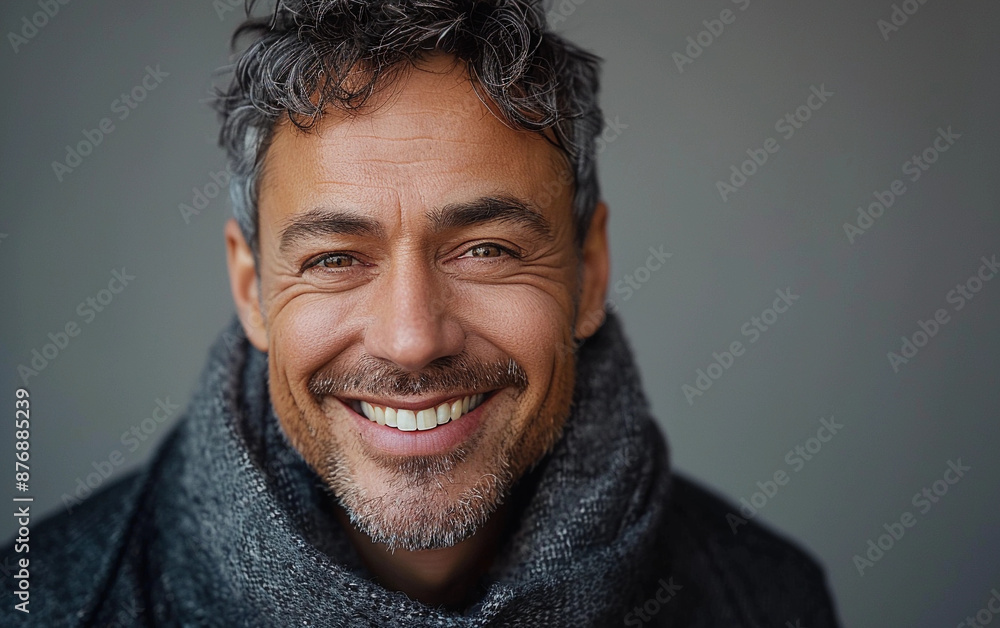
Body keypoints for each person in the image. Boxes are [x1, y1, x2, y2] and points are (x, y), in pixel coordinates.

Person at [2, 1, 841, 625]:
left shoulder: (768, 601)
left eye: (486, 250)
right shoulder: (49, 604)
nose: (411, 340)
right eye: (335, 260)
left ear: (590, 271)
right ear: (252, 288)